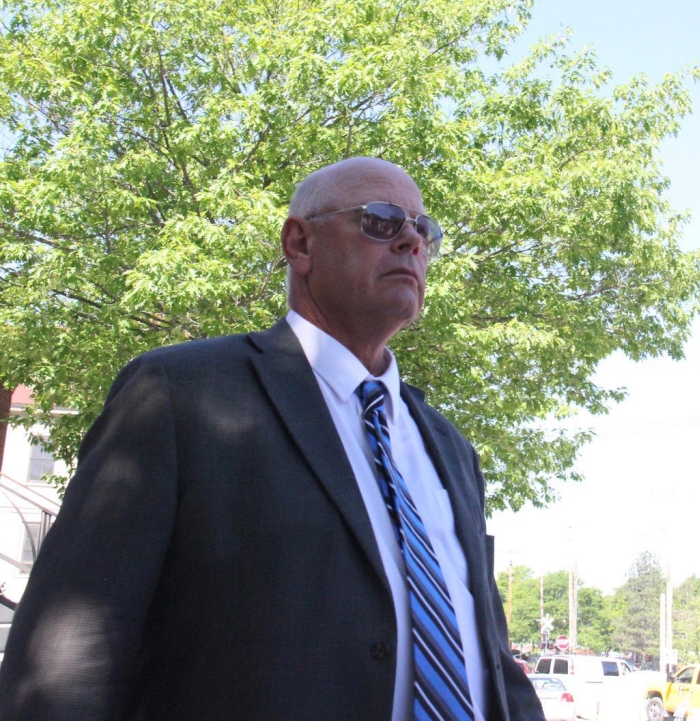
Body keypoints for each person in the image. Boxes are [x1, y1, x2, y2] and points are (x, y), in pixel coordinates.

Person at [0, 158, 544, 720]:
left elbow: (494, 665)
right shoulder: (179, 395)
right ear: (300, 244)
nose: (411, 239)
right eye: (381, 220)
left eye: (424, 230)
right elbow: (69, 659)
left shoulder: (450, 449)